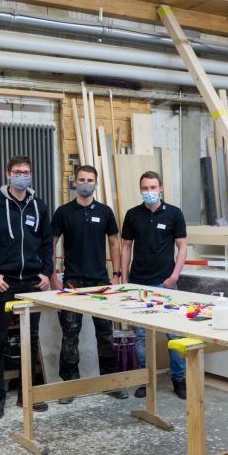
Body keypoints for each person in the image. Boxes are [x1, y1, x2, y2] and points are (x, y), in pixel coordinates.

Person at [0, 156, 54, 419]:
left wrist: (46, 272)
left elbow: (47, 243)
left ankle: (25, 394)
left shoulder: (39, 206)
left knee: (30, 339)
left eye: (26, 172)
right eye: (17, 172)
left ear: (31, 175)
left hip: (31, 282)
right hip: (3, 283)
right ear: (8, 174)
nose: (22, 176)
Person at [49, 165, 128, 403]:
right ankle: (70, 385)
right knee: (70, 335)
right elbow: (51, 244)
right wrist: (53, 276)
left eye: (90, 180)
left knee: (105, 334)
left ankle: (109, 382)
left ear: (96, 183)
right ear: (75, 183)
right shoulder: (63, 212)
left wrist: (116, 274)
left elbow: (114, 243)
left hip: (100, 282)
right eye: (81, 179)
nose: (85, 183)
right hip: (72, 282)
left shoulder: (105, 212)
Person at [120, 171, 188, 399]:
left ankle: (179, 379)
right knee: (141, 336)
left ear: (161, 188)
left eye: (152, 187)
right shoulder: (132, 215)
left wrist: (174, 276)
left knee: (174, 336)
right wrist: (125, 280)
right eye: (145, 188)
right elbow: (126, 247)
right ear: (140, 190)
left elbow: (182, 246)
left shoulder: (174, 214)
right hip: (138, 285)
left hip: (166, 285)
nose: (149, 192)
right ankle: (145, 380)